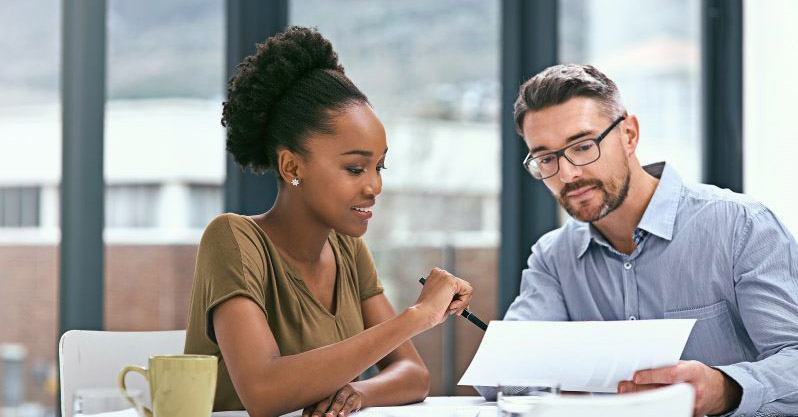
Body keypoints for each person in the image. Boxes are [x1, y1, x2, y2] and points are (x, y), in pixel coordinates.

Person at [183, 26, 473, 417]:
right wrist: (418, 316)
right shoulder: (233, 239)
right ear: (292, 166)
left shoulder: (347, 248)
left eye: (379, 166)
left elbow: (412, 374)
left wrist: (359, 393)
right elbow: (263, 391)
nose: (375, 186)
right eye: (355, 168)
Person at [477, 64, 798, 416]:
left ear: (629, 134)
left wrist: (726, 388)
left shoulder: (740, 226)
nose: (567, 173)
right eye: (546, 158)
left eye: (583, 147)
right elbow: (497, 376)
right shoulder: (553, 257)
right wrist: (573, 351)